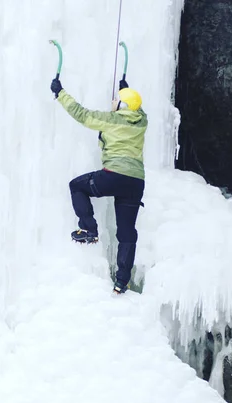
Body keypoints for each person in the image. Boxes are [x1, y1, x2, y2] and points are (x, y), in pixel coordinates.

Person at [50, 75, 148, 294]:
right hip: (135, 182)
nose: (113, 102)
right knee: (126, 232)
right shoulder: (142, 121)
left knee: (77, 186)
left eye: (117, 100)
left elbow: (82, 114)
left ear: (122, 106)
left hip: (114, 175)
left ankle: (88, 228)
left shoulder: (112, 120)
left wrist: (60, 93)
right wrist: (127, 89)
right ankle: (122, 281)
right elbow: (138, 109)